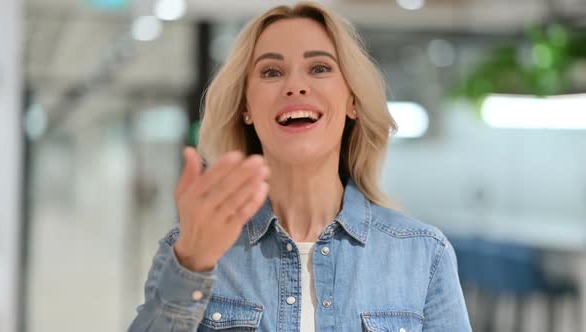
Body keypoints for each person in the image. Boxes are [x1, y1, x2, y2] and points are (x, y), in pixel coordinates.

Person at [128, 2, 472, 331]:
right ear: (246, 107)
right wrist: (191, 265)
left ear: (352, 100)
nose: (295, 86)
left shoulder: (423, 253)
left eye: (319, 68)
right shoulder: (189, 247)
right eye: (271, 72)